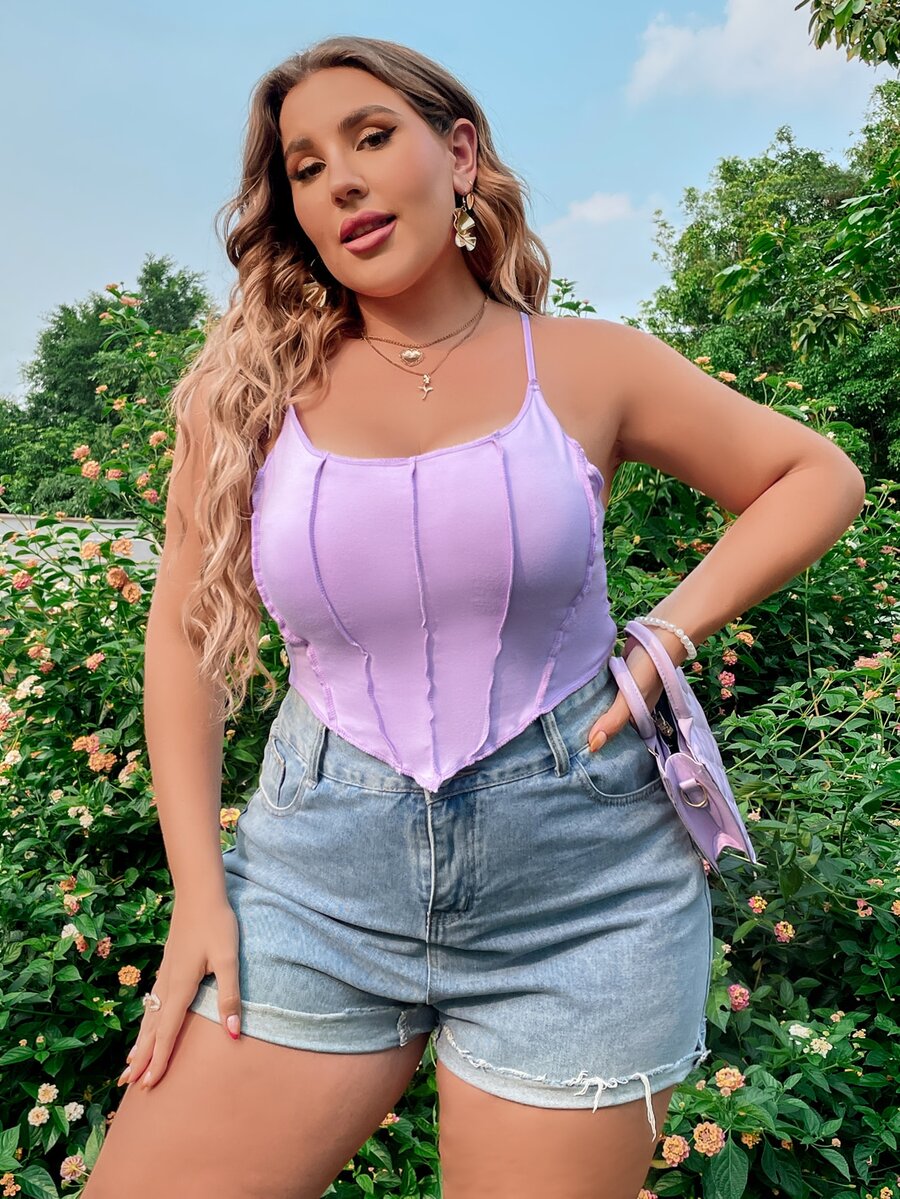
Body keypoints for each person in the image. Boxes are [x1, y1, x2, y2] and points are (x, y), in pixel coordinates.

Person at [82, 34, 866, 1199]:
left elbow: (818, 475)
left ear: (459, 156)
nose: (341, 181)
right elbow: (184, 641)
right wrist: (198, 888)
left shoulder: (592, 364)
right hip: (314, 886)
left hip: (585, 898)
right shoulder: (243, 395)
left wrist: (665, 634)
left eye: (371, 137)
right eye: (306, 167)